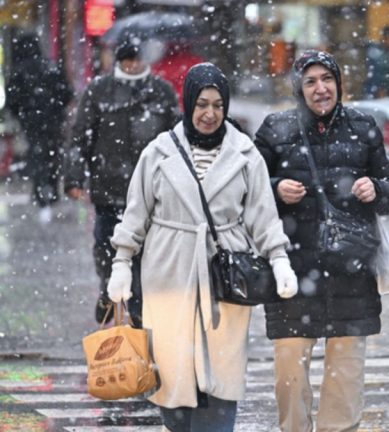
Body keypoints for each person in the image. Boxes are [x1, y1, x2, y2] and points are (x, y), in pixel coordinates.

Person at [106, 62, 299, 432]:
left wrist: (278, 259)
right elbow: (136, 214)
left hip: (223, 277)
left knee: (221, 375)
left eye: (217, 105)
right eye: (201, 104)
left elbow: (262, 214)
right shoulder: (158, 153)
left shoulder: (245, 154)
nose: (209, 114)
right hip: (168, 272)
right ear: (188, 103)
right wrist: (121, 261)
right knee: (171, 374)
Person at [254, 50, 389, 432]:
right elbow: (247, 190)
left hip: (351, 266)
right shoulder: (275, 129)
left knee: (346, 370)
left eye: (327, 80)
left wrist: (376, 188)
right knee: (290, 364)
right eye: (311, 82)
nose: (321, 89)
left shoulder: (363, 126)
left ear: (339, 83)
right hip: (294, 267)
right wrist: (274, 188)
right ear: (299, 89)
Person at [64, 33, 178, 326]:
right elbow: (80, 136)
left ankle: (139, 309)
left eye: (136, 59)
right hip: (109, 189)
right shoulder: (99, 91)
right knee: (107, 246)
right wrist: (74, 178)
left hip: (152, 191)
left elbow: (177, 136)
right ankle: (109, 288)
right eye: (126, 60)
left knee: (145, 253)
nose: (132, 65)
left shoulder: (160, 91)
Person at [6, 32, 73, 223]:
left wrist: (23, 115)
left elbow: (12, 101)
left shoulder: (20, 71)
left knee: (37, 156)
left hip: (32, 123)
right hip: (52, 122)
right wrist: (57, 111)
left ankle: (41, 192)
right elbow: (66, 93)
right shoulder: (51, 67)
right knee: (52, 155)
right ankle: (51, 190)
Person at [362, 26, 389, 99]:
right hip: (375, 94)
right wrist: (381, 91)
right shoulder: (379, 54)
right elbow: (379, 76)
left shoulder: (385, 52)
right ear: (386, 39)